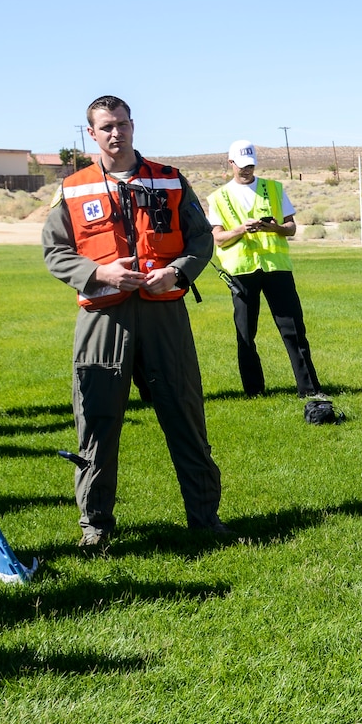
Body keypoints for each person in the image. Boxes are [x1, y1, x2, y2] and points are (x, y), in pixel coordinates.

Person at [43, 95, 227, 548]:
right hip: (103, 316)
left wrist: (178, 271)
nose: (115, 133)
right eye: (105, 126)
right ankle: (96, 528)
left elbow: (202, 239)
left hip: (164, 312)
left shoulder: (169, 180)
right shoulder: (72, 187)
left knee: (185, 413)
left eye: (122, 124)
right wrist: (98, 273)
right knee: (97, 421)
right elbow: (55, 252)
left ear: (132, 125)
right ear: (91, 133)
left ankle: (205, 519)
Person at [204, 138, 336, 423]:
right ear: (230, 164)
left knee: (294, 330)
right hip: (241, 271)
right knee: (245, 332)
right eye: (241, 166)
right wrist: (241, 229)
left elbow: (290, 228)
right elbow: (217, 237)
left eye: (251, 165)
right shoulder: (217, 198)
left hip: (276, 267)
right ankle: (253, 391)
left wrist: (273, 227)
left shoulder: (274, 188)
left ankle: (309, 388)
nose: (247, 170)